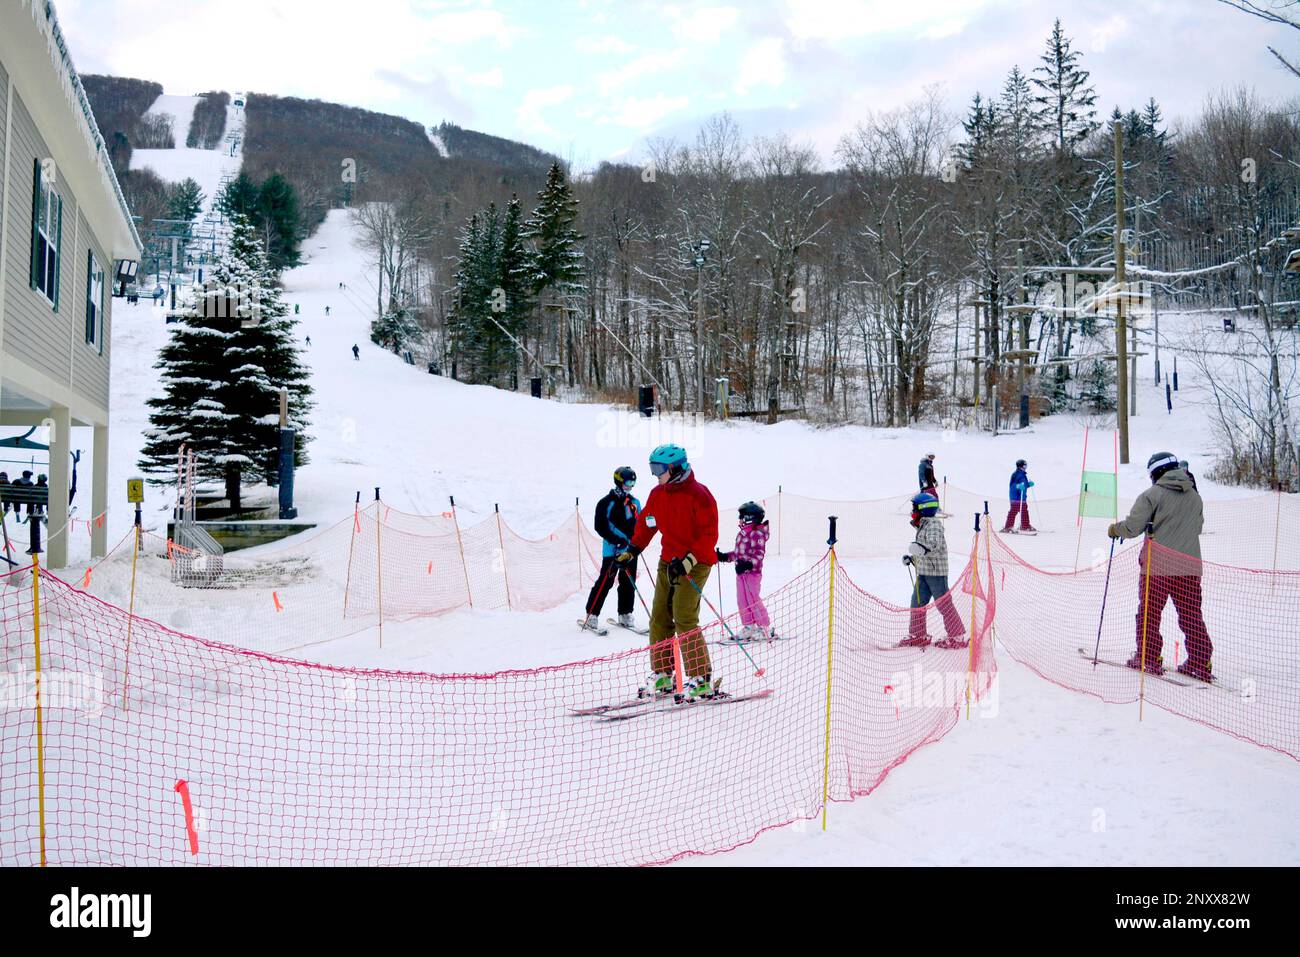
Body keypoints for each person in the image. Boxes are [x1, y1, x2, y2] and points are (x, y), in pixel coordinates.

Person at [616, 444, 720, 701]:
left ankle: (700, 679)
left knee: (684, 615)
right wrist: (633, 549)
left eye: (659, 469)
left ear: (675, 468)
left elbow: (709, 535)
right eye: (653, 468)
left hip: (696, 562)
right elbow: (647, 523)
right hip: (668, 560)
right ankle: (663, 673)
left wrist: (689, 560)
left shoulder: (700, 495)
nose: (655, 474)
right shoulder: (658, 494)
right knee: (660, 616)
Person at [1108, 452, 1213, 682]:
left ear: (1155, 473)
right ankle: (1200, 660)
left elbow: (1133, 527)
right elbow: (1198, 526)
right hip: (1189, 566)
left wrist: (1116, 529)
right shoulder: (1194, 496)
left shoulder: (1152, 495)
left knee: (1149, 613)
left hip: (1158, 567)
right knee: (1191, 614)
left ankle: (1148, 657)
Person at [900, 492, 967, 648]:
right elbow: (923, 551)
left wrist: (920, 549)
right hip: (923, 572)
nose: (912, 511)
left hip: (936, 574)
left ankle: (956, 636)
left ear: (923, 509)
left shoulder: (934, 524)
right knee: (917, 603)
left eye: (914, 507)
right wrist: (912, 558)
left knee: (943, 604)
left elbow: (934, 545)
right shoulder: (923, 524)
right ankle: (918, 634)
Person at [582, 467, 641, 633]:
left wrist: (635, 544)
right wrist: (618, 541)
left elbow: (640, 525)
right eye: (629, 482)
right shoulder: (605, 503)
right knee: (606, 581)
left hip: (629, 551)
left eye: (633, 482)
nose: (631, 486)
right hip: (612, 550)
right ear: (620, 481)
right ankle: (592, 614)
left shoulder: (634, 503)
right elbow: (600, 526)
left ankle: (625, 613)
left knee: (628, 582)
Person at [716, 501, 772, 641]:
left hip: (752, 573)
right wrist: (724, 557)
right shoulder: (742, 533)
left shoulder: (756, 534)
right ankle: (749, 626)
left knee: (753, 599)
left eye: (741, 516)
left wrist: (747, 565)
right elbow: (738, 553)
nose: (739, 519)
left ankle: (763, 627)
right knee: (742, 600)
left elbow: (759, 555)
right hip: (741, 573)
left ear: (749, 518)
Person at [1001, 459, 1036, 533]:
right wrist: (1018, 486)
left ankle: (1025, 525)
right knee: (1014, 511)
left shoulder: (1023, 474)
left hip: (1022, 497)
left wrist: (1029, 484)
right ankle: (1008, 527)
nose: (1026, 467)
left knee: (1024, 511)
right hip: (1016, 497)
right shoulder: (1015, 474)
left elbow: (1024, 485)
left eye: (1026, 465)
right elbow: (1012, 485)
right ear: (1020, 466)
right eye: (1024, 465)